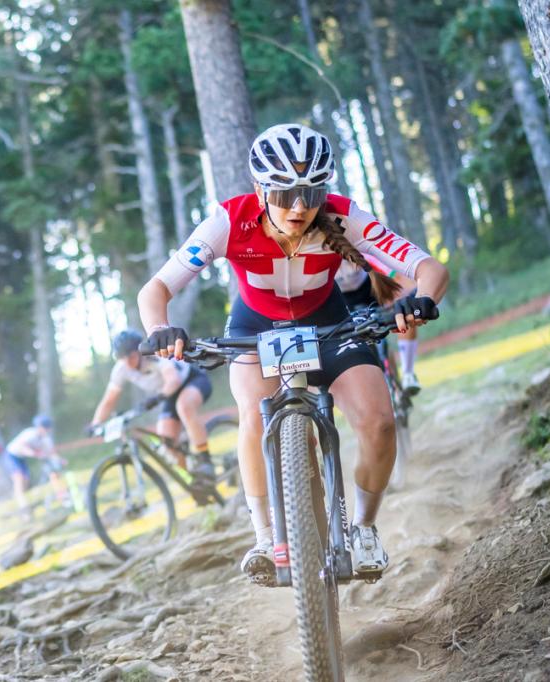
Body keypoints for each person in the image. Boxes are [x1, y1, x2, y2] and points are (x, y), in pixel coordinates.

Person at [136, 123, 448, 585]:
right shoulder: (227, 221)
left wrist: (420, 301)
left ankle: (363, 528)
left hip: (327, 322)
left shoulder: (343, 216)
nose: (299, 207)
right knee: (253, 413)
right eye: (284, 194)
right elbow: (156, 288)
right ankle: (265, 536)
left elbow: (429, 268)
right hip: (255, 325)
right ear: (260, 189)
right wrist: (160, 329)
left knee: (379, 421)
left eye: (311, 192)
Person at [90, 330, 216, 489]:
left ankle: (205, 459)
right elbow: (109, 400)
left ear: (139, 350)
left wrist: (157, 398)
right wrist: (95, 424)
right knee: (166, 442)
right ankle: (196, 483)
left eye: (131, 356)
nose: (128, 362)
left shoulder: (154, 355)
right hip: (167, 394)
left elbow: (173, 380)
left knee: (184, 407)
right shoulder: (120, 369)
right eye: (122, 358)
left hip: (192, 380)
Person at [336, 257, 422, 394]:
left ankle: (408, 373)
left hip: (371, 289)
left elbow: (393, 273)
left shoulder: (353, 247)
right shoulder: (319, 256)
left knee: (403, 312)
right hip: (343, 298)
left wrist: (413, 294)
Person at [4, 415, 67, 518]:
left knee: (26, 481)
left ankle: (25, 503)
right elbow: (21, 447)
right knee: (19, 479)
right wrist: (34, 453)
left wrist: (60, 460)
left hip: (22, 458)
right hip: (12, 456)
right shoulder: (30, 434)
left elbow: (51, 453)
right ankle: (23, 507)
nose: (45, 430)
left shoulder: (46, 439)